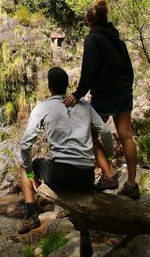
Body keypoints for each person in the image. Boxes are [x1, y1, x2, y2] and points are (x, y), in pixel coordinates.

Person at [18, 67, 113, 234]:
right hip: (86, 178)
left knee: (24, 168)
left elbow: (25, 145)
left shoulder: (42, 107)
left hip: (60, 174)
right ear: (67, 85)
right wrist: (109, 156)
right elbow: (105, 132)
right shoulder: (84, 105)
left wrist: (32, 175)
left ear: (49, 86)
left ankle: (31, 215)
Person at [64, 0, 140, 200]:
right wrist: (126, 88)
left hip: (105, 95)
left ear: (90, 23)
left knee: (89, 134)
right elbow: (129, 70)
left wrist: (77, 94)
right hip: (123, 92)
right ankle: (132, 184)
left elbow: (89, 71)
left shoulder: (92, 39)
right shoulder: (118, 40)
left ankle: (108, 175)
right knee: (126, 136)